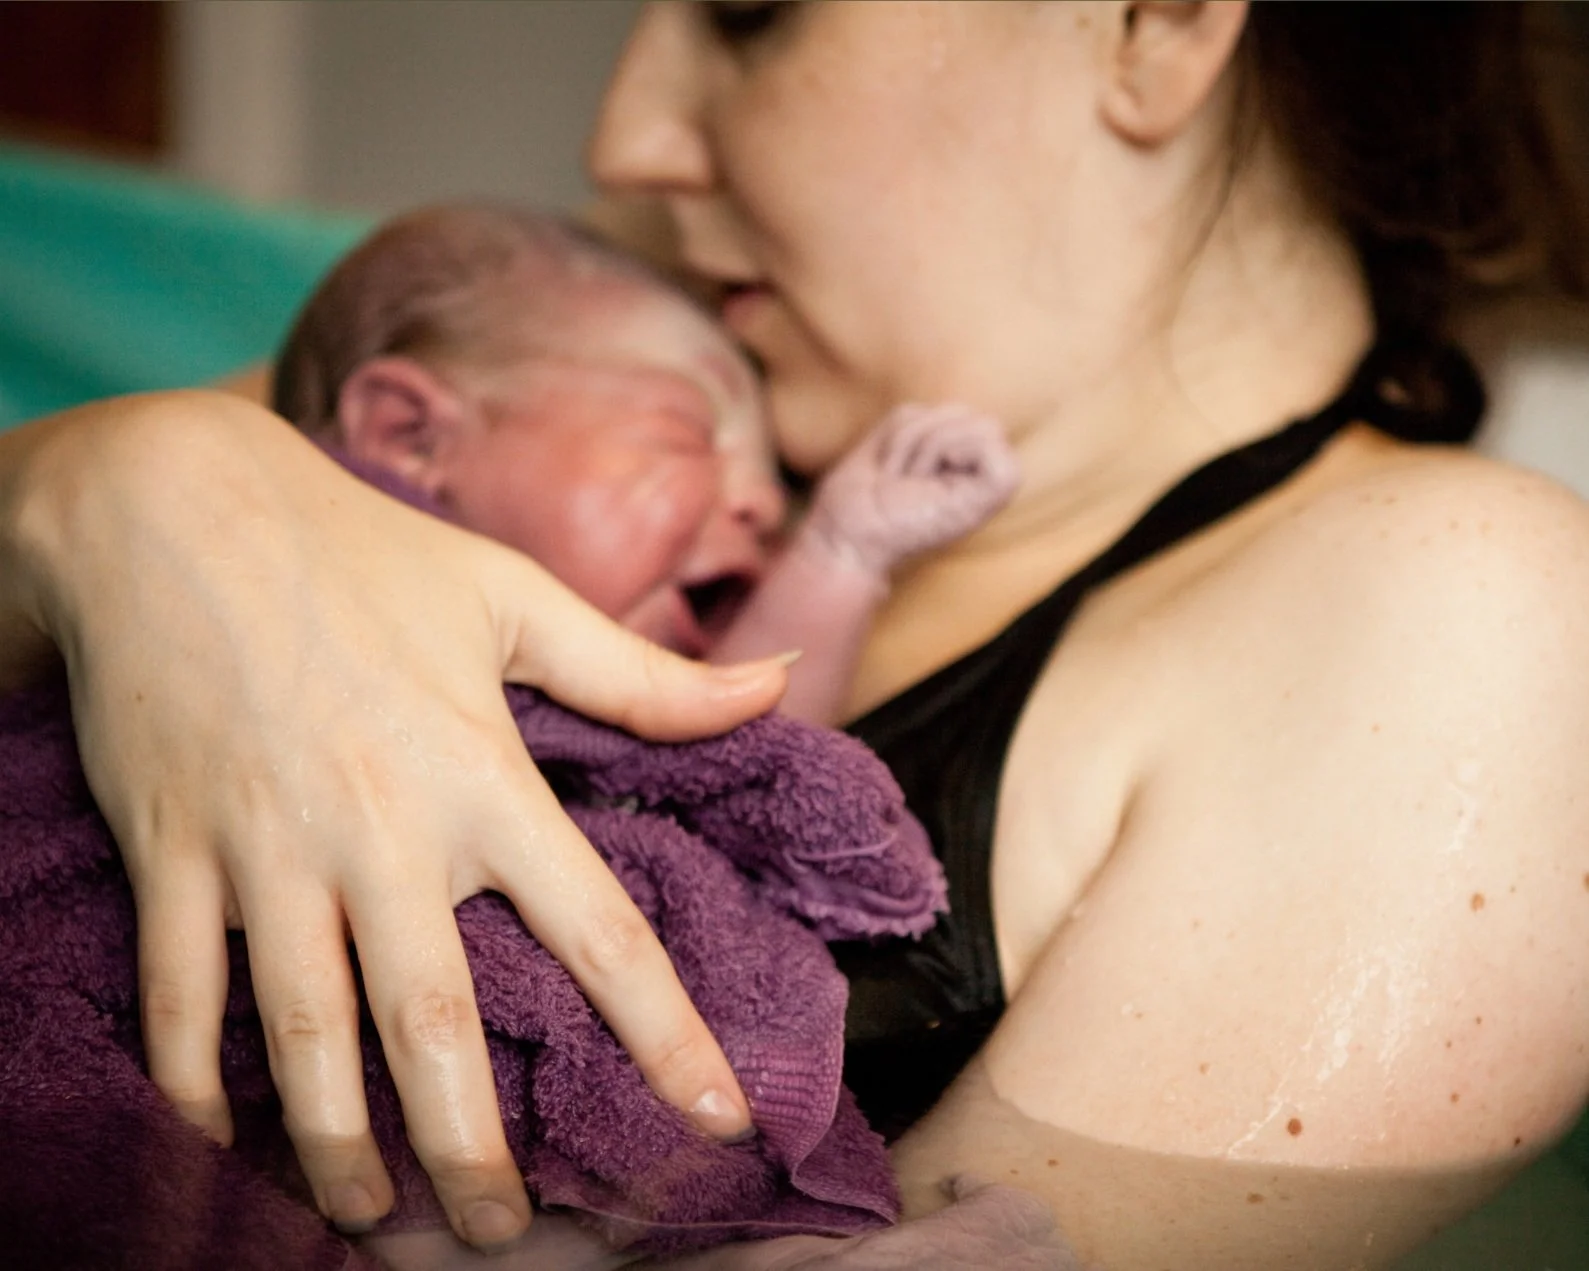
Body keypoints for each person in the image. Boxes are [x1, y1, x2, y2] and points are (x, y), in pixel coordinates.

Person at [2, 2, 1589, 1267]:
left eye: (751, 9)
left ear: (1154, 22)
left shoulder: (1462, 616)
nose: (627, 135)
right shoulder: (631, 328)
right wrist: (129, 483)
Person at [272, 202, 1018, 724]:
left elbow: (748, 757)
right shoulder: (271, 634)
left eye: (773, 479)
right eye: (688, 432)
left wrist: (839, 556)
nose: (764, 506)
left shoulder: (629, 725)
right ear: (411, 439)